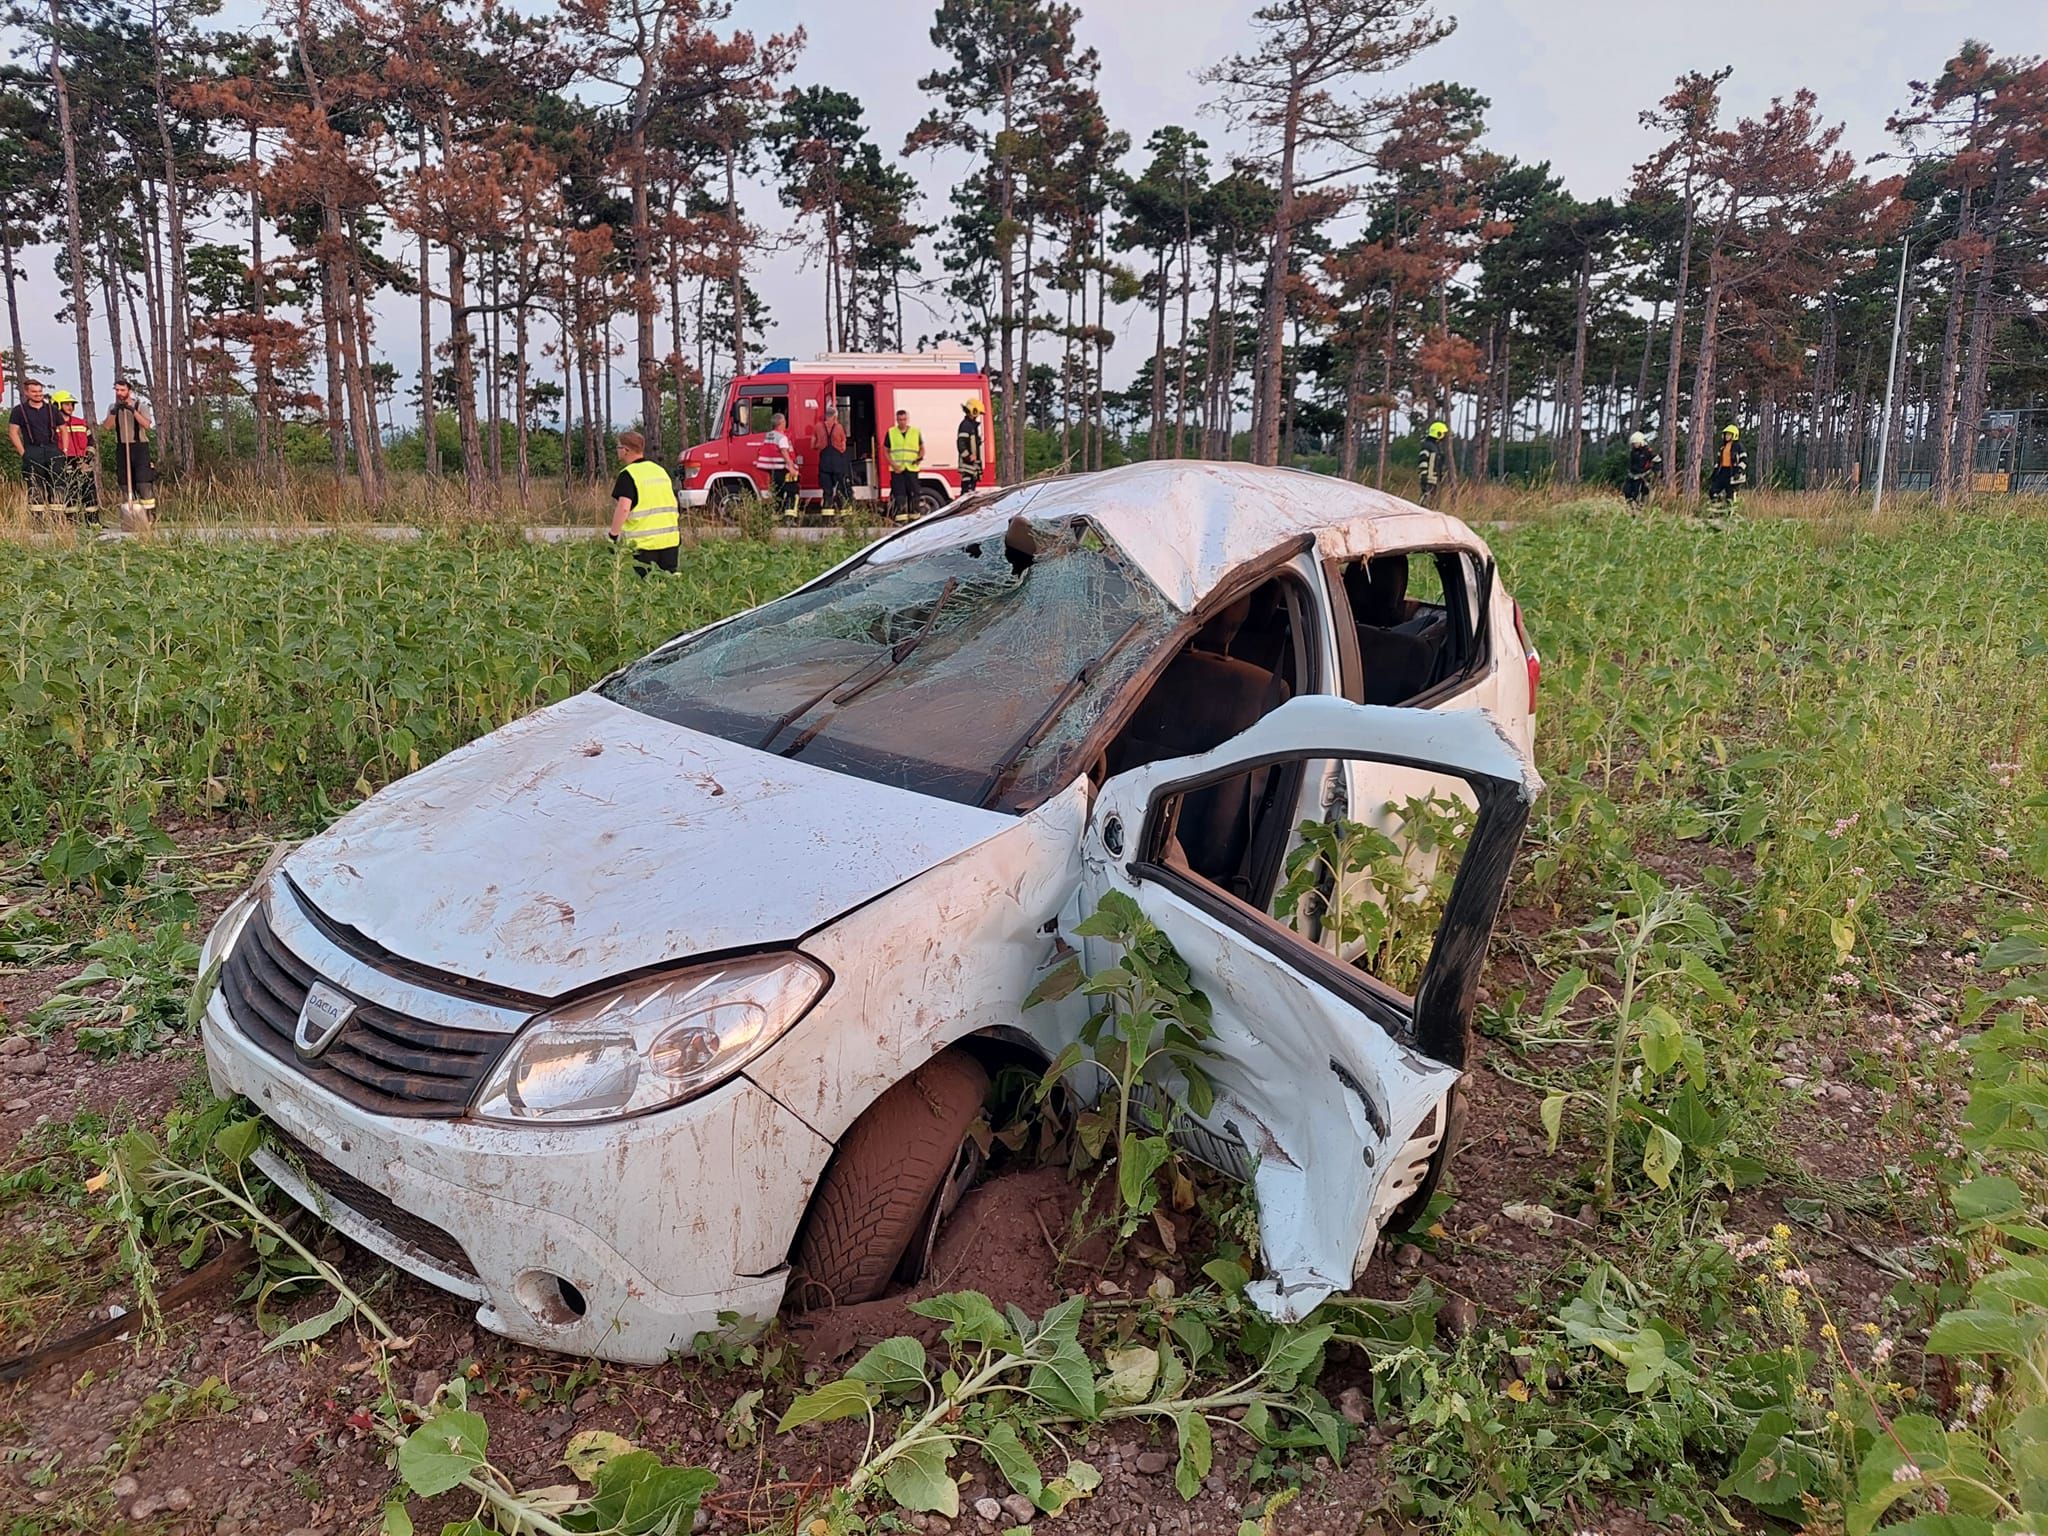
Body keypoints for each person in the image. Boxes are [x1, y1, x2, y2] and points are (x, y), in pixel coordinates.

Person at [608, 430, 681, 573]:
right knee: (669, 586)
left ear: (626, 450)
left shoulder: (628, 474)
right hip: (670, 541)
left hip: (645, 545)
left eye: (618, 447)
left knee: (647, 589)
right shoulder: (660, 471)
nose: (617, 451)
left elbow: (623, 508)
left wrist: (613, 536)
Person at [101, 380, 156, 521]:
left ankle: (149, 516)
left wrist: (133, 411)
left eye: (122, 390)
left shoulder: (141, 406)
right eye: (117, 390)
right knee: (125, 483)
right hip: (122, 447)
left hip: (139, 447)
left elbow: (147, 425)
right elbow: (107, 427)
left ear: (129, 391)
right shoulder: (113, 407)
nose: (119, 393)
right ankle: (132, 516)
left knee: (143, 483)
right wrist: (114, 412)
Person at [8, 379, 62, 518]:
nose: (38, 394)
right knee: (34, 484)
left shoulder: (52, 409)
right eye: (34, 392)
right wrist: (23, 453)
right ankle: (38, 521)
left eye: (40, 391)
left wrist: (64, 449)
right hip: (32, 450)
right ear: (26, 392)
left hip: (52, 450)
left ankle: (57, 520)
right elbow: (13, 432)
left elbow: (63, 428)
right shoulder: (19, 411)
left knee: (56, 484)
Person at [51, 391, 94, 515]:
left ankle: (93, 522)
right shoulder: (52, 425)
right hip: (64, 462)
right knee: (70, 492)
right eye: (66, 404)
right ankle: (71, 522)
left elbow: (91, 443)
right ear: (57, 405)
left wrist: (87, 460)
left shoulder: (81, 422)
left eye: (72, 404)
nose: (70, 407)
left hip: (83, 462)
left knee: (90, 492)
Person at [757, 410, 799, 517]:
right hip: (782, 469)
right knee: (792, 491)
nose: (785, 424)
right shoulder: (782, 437)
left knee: (777, 492)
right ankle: (790, 517)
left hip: (772, 470)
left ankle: (776, 516)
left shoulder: (768, 435)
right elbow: (784, 452)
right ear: (781, 423)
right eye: (784, 422)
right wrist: (791, 468)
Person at [885, 407, 923, 523]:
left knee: (914, 494)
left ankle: (915, 520)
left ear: (907, 420)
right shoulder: (891, 432)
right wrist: (893, 464)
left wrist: (919, 458)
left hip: (912, 468)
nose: (902, 422)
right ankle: (901, 520)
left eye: (904, 419)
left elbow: (922, 448)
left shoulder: (915, 432)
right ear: (897, 420)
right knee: (900, 495)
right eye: (900, 419)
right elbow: (886, 450)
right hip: (897, 469)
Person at [813, 406, 851, 514]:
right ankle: (846, 515)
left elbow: (813, 445)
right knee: (842, 489)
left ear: (826, 415)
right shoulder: (839, 428)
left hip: (824, 462)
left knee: (827, 491)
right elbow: (843, 448)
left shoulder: (817, 427)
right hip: (837, 463)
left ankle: (827, 518)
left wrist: (821, 444)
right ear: (835, 416)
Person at [1708, 424, 1747, 512]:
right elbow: (1719, 462)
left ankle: (1730, 514)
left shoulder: (1739, 447)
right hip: (1723, 472)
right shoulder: (1723, 447)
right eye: (1726, 434)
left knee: (1731, 495)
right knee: (1713, 490)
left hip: (1733, 473)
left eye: (1729, 434)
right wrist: (1714, 474)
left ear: (1734, 435)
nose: (1727, 436)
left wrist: (1739, 471)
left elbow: (1744, 460)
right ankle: (1716, 510)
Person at [1624, 431, 1661, 507]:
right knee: (1627, 491)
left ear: (1640, 442)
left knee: (1638, 493)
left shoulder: (1647, 451)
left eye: (1636, 443)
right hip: (1632, 475)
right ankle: (1630, 506)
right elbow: (1631, 464)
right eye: (1633, 444)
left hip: (1643, 476)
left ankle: (1639, 507)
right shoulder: (1633, 452)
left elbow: (1657, 460)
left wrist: (1655, 471)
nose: (1634, 445)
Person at [956, 398, 985, 494]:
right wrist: (968, 457)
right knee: (967, 489)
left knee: (970, 488)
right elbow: (961, 443)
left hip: (971, 465)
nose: (977, 416)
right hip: (967, 464)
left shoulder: (971, 426)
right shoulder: (966, 426)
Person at [1418, 420, 1449, 506]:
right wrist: (1424, 476)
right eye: (1443, 433)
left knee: (1434, 503)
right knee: (1426, 502)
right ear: (1438, 433)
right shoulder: (1428, 446)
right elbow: (1423, 461)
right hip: (1429, 479)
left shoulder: (1435, 447)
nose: (1444, 436)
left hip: (1434, 480)